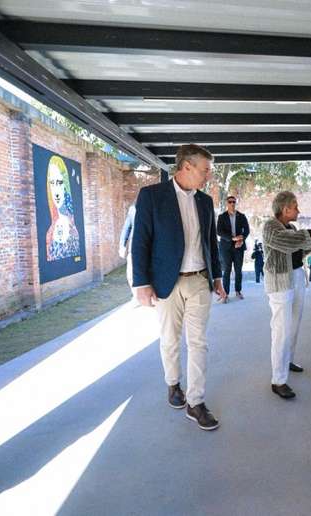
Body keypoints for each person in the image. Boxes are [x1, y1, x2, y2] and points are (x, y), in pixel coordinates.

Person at [131, 144, 226, 431]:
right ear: (186, 167)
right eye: (205, 169)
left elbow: (211, 242)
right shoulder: (152, 196)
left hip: (199, 280)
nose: (208, 175)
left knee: (198, 342)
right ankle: (173, 384)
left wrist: (218, 277)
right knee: (170, 338)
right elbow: (141, 241)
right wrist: (141, 283)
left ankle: (196, 402)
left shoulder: (206, 202)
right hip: (165, 282)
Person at [263, 191, 311, 399]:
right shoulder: (270, 227)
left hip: (298, 277)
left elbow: (300, 250)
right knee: (281, 330)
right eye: (295, 207)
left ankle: (287, 360)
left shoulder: (291, 227)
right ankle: (278, 380)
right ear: (285, 209)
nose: (298, 210)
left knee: (294, 324)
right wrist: (308, 236)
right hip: (280, 282)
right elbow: (287, 242)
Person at [45, 155, 80, 261]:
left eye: (59, 182)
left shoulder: (72, 226)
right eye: (52, 183)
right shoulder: (50, 233)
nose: (55, 189)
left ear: (65, 185)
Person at [217, 195, 250, 302]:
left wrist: (241, 239)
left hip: (239, 247)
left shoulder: (242, 216)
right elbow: (219, 232)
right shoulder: (222, 217)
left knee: (238, 270)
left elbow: (247, 230)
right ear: (227, 203)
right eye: (230, 202)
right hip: (226, 247)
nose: (232, 204)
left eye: (234, 202)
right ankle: (225, 293)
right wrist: (232, 238)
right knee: (226, 270)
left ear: (235, 203)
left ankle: (238, 290)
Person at [118, 203, 136, 288]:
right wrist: (122, 246)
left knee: (132, 274)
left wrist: (122, 246)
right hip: (135, 247)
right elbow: (126, 228)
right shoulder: (133, 208)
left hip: (135, 247)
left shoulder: (134, 207)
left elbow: (126, 228)